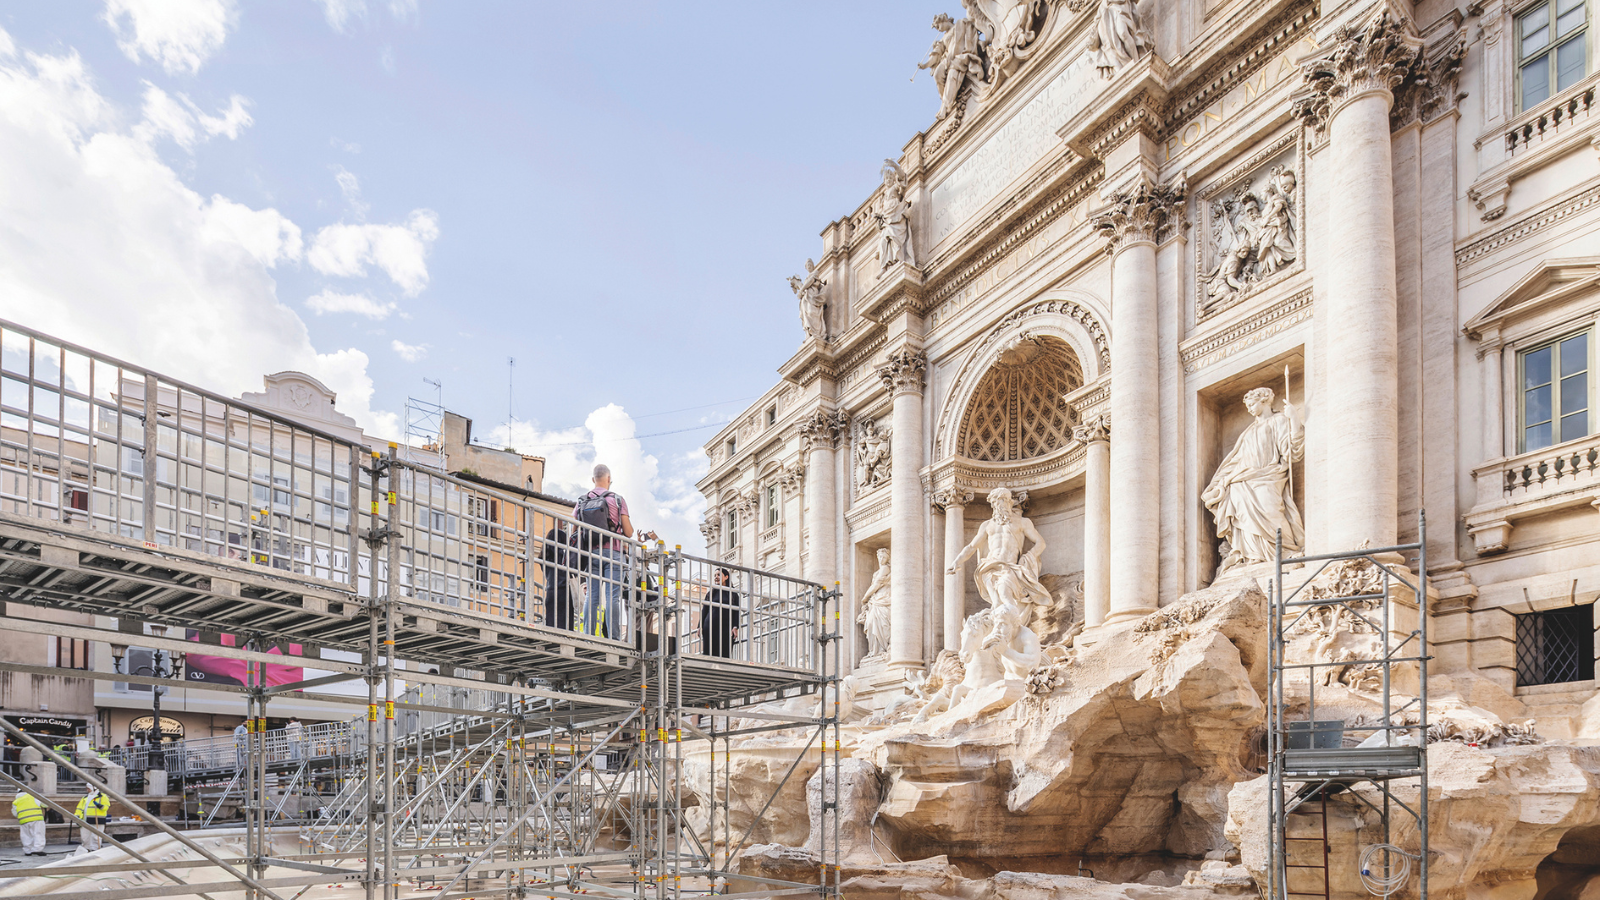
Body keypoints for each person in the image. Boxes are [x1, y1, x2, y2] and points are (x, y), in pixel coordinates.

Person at [571, 464, 634, 640]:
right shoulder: (618, 500)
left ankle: (588, 635)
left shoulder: (582, 500)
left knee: (592, 596)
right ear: (609, 479)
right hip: (614, 553)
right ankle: (613, 637)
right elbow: (628, 532)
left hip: (592, 554)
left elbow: (574, 528)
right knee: (613, 597)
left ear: (593, 479)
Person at [702, 568, 742, 659]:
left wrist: (735, 627)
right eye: (715, 575)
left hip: (726, 627)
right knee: (709, 654)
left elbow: (736, 611)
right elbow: (704, 610)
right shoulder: (710, 593)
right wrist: (700, 626)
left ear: (726, 577)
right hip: (710, 627)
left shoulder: (733, 594)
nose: (716, 577)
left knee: (725, 653)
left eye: (719, 575)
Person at [541, 523, 573, 631]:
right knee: (566, 629)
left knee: (552, 627)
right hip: (564, 591)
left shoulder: (544, 556)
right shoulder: (564, 554)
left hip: (550, 591)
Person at [12, 790, 46, 856]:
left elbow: (15, 813)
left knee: (25, 835)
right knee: (38, 833)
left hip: (23, 820)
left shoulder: (16, 801)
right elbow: (45, 804)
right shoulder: (34, 796)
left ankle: (28, 851)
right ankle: (38, 849)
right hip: (36, 819)